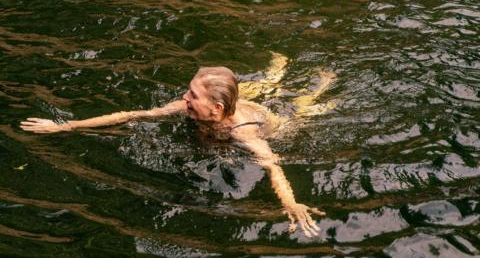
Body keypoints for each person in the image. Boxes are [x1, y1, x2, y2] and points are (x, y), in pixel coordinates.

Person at [20, 66, 327, 238]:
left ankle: (319, 85)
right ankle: (276, 71)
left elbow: (273, 166)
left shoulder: (245, 134)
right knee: (262, 88)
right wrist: (67, 126)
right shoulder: (188, 107)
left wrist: (291, 202)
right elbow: (131, 115)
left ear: (216, 108)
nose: (184, 97)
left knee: (302, 108)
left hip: (269, 121)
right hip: (232, 108)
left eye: (193, 95)